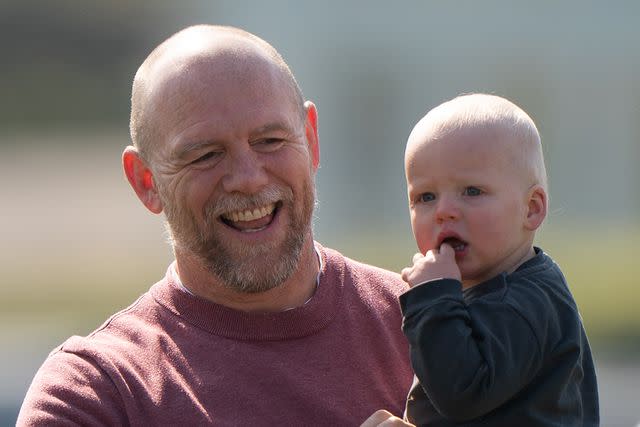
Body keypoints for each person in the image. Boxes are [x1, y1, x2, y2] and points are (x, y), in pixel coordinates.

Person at [17, 25, 413, 426]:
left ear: (310, 139)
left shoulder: (430, 328)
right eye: (206, 155)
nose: (248, 178)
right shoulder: (96, 395)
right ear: (145, 182)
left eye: (270, 141)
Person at [398, 93, 599, 425]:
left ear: (531, 208)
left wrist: (431, 301)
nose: (444, 212)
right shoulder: (494, 289)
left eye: (472, 191)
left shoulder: (526, 304)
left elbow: (460, 393)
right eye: (425, 197)